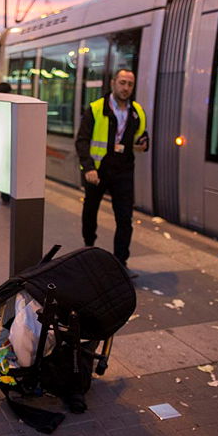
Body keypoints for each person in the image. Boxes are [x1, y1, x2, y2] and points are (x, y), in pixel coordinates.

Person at [75, 68, 149, 278]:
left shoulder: (137, 112)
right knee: (90, 213)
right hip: (98, 170)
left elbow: (140, 137)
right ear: (113, 83)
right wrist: (88, 167)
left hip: (123, 170)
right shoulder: (96, 108)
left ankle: (120, 262)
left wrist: (143, 144)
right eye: (122, 83)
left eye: (130, 84)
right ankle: (88, 248)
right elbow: (82, 140)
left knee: (125, 218)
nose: (126, 88)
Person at [0, 82, 13, 204]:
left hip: (0, 142)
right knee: (9, 169)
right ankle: (8, 194)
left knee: (4, 169)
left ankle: (4, 195)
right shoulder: (12, 103)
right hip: (10, 142)